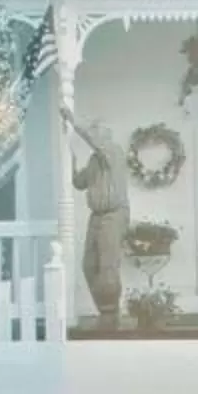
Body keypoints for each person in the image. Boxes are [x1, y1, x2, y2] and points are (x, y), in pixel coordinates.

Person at [63, 108, 130, 328]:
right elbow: (79, 182)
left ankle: (110, 314)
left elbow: (94, 140)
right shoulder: (94, 161)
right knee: (89, 265)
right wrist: (69, 159)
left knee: (108, 266)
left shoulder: (114, 152)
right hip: (97, 215)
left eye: (97, 131)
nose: (94, 135)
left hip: (113, 214)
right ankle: (105, 309)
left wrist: (72, 118)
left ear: (106, 135)